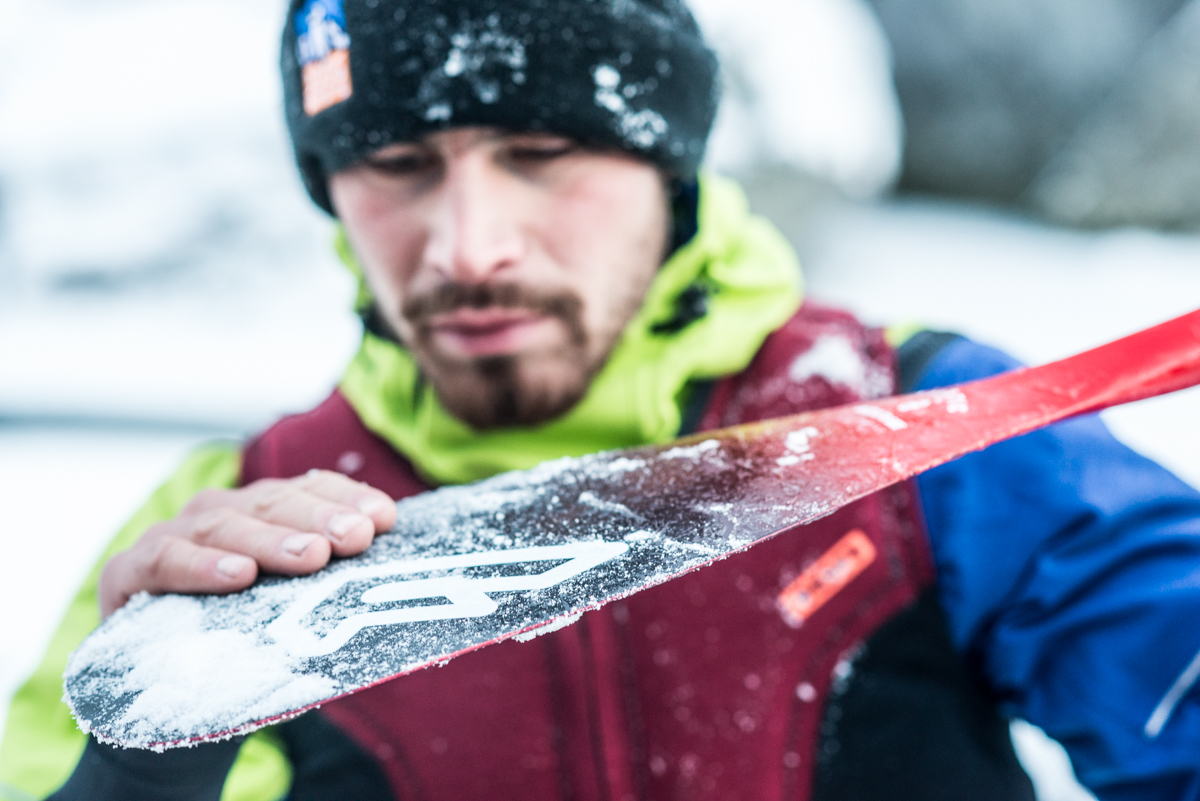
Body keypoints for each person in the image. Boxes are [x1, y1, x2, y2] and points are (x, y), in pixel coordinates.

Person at [4, 0, 1200, 799]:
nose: (469, 245)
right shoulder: (226, 530)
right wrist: (137, 772)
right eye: (397, 166)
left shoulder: (932, 432)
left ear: (668, 170)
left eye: (541, 154)